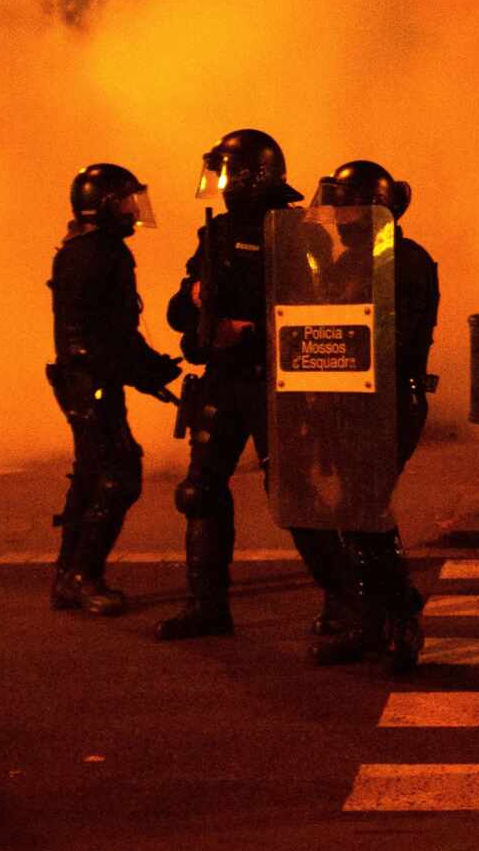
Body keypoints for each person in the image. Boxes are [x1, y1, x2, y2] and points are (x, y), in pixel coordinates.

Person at [156, 128, 312, 641]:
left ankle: (348, 604)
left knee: (293, 495)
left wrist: (246, 330)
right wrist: (197, 300)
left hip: (277, 381)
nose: (219, 184)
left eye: (226, 173)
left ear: (252, 177)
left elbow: (324, 318)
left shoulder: (296, 233)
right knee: (199, 490)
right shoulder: (217, 233)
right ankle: (206, 606)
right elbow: (179, 311)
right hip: (224, 381)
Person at [295, 160, 440, 672]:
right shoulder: (346, 262)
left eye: (345, 206)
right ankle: (376, 619)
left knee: (363, 507)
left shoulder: (406, 260)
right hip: (344, 401)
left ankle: (400, 618)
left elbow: (392, 340)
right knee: (355, 513)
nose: (335, 215)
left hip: (387, 403)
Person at [47, 163, 181, 616]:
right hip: (92, 381)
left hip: (85, 380)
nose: (132, 209)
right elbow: (110, 336)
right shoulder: (100, 254)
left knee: (91, 472)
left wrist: (147, 371)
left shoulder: (83, 249)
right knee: (118, 474)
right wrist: (148, 372)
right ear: (103, 205)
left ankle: (69, 575)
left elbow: (110, 332)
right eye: (125, 200)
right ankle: (83, 576)